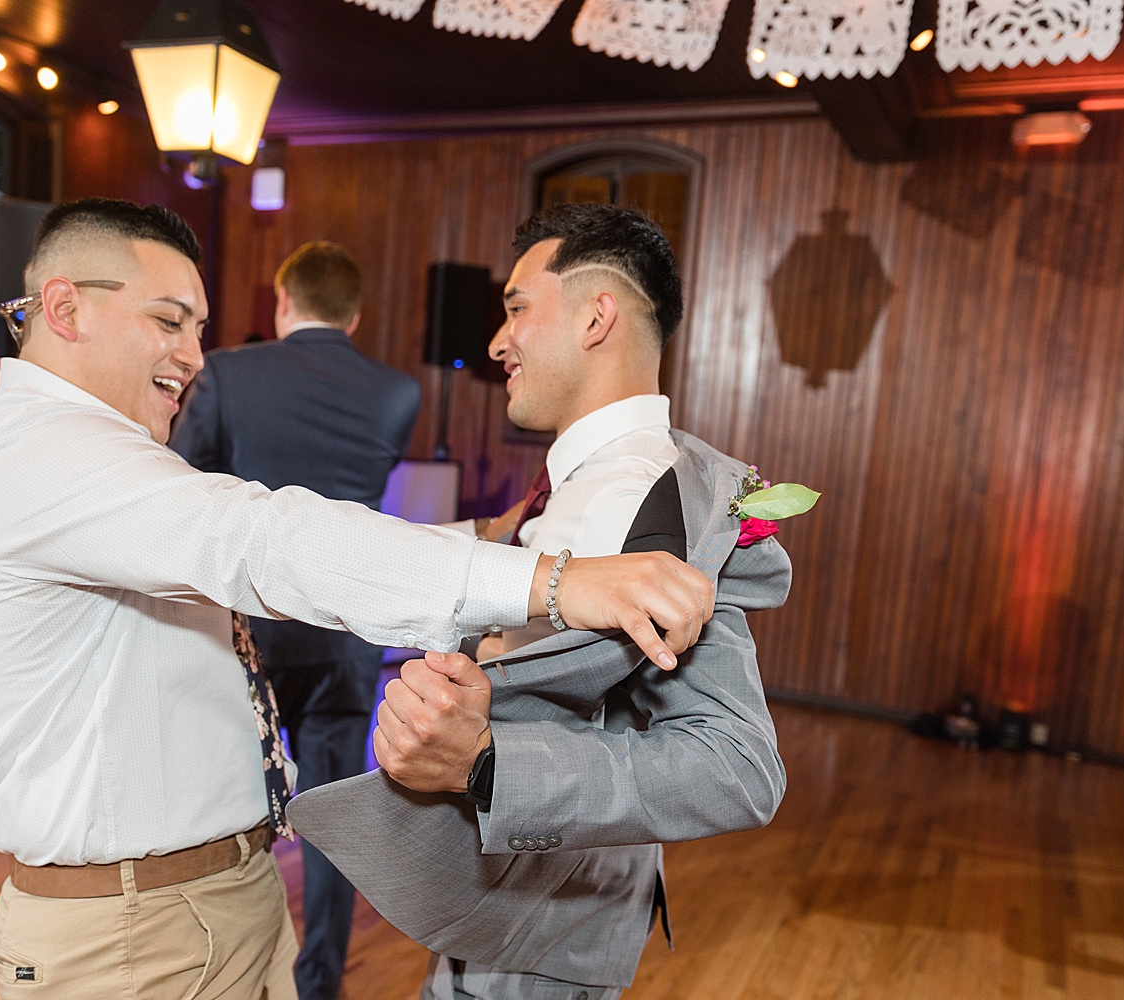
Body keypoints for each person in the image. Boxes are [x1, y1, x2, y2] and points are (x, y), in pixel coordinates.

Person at [0, 197, 717, 1000]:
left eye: (198, 327)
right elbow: (252, 539)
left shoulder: (99, 454)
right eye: (169, 321)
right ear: (64, 308)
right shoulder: (29, 448)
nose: (195, 355)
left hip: (211, 901)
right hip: (130, 937)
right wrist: (553, 579)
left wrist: (481, 534)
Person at [287, 203, 793, 1000]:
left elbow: (735, 768)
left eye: (518, 307)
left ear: (598, 317)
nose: (497, 342)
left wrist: (490, 765)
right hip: (495, 903)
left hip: (548, 934)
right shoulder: (567, 489)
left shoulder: (664, 506)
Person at [172, 241, 421, 1000]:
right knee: (337, 820)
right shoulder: (398, 391)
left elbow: (183, 487)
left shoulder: (229, 372)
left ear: (283, 302)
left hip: (246, 630)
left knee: (222, 806)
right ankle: (319, 985)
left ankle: (230, 972)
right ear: (355, 315)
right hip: (344, 632)